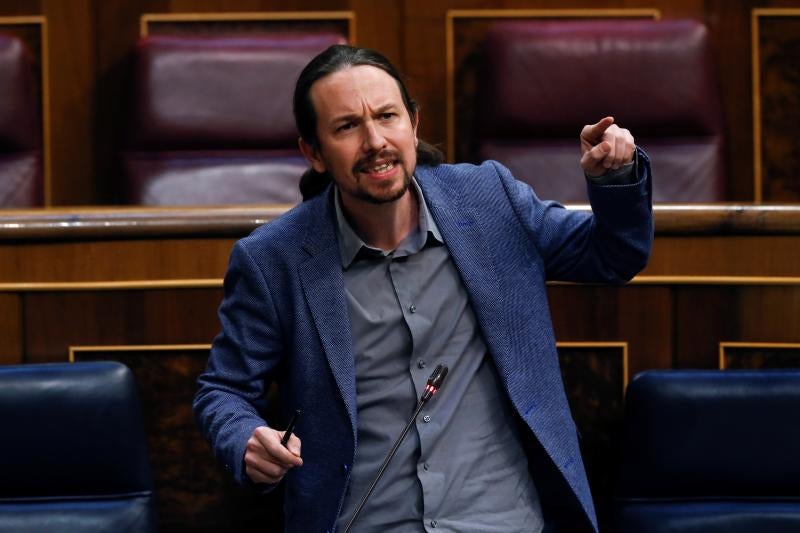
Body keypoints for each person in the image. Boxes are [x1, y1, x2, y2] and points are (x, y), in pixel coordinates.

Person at [194, 44, 653, 533]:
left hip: (503, 520)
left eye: (386, 116)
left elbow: (615, 255)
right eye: (347, 126)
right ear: (314, 153)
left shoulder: (488, 200)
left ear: (412, 124)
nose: (375, 141)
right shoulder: (274, 260)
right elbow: (222, 389)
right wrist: (246, 438)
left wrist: (616, 177)